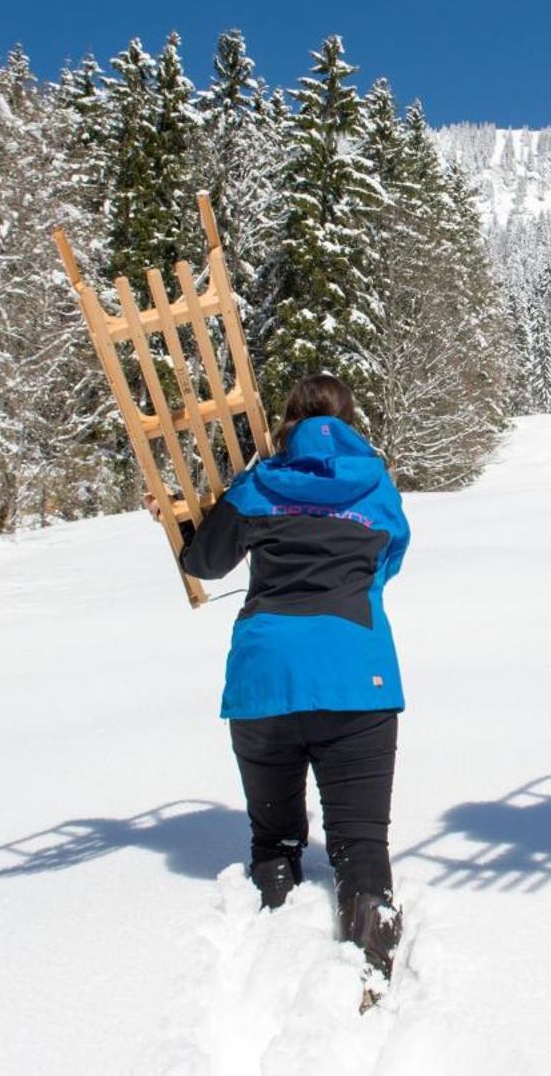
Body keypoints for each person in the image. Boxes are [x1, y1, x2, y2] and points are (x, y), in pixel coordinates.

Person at [145, 373, 410, 1001]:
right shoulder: (376, 486)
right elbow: (391, 559)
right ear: (351, 421)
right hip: (357, 680)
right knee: (361, 843)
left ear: (284, 426)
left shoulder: (259, 484)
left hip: (265, 681)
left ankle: (272, 952)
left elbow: (203, 563)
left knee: (275, 838)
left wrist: (183, 517)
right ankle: (371, 964)